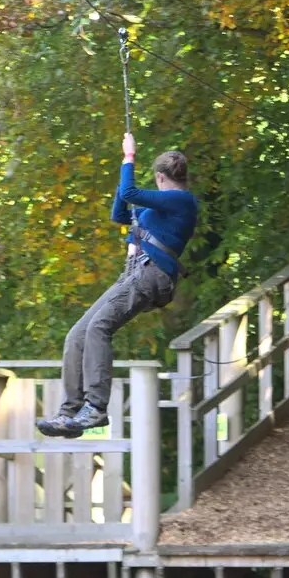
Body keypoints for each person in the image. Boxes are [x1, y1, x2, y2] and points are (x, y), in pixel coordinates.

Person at [37, 134, 198, 437]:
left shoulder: (181, 201)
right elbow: (120, 215)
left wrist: (128, 158)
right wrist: (121, 185)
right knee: (77, 335)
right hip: (133, 274)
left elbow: (131, 191)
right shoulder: (156, 209)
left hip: (152, 274)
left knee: (99, 328)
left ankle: (95, 408)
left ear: (160, 177)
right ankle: (69, 412)